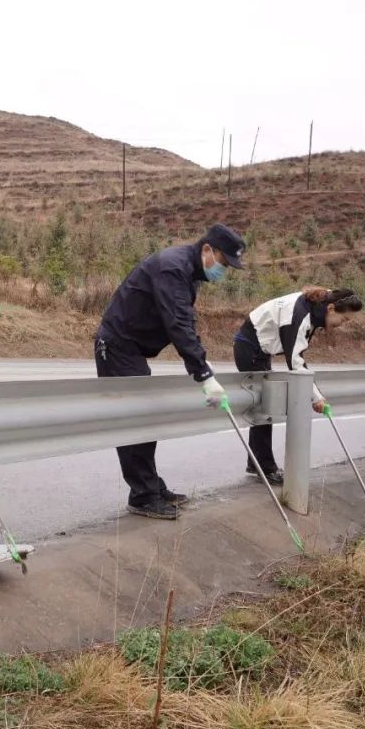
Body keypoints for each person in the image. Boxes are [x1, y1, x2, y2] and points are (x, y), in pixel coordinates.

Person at [95, 223, 246, 520]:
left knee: (144, 419)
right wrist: (203, 375)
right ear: (207, 250)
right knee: (134, 421)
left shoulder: (188, 273)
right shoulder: (172, 268)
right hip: (117, 346)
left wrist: (203, 362)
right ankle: (142, 495)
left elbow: (185, 322)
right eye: (224, 263)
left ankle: (151, 486)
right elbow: (176, 323)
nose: (223, 270)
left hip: (133, 349)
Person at [233, 287, 363, 483]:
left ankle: (256, 464)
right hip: (250, 348)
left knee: (264, 406)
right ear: (331, 309)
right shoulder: (300, 314)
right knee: (264, 408)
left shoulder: (318, 304)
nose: (341, 325)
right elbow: (295, 362)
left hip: (260, 349)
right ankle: (264, 467)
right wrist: (316, 397)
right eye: (343, 320)